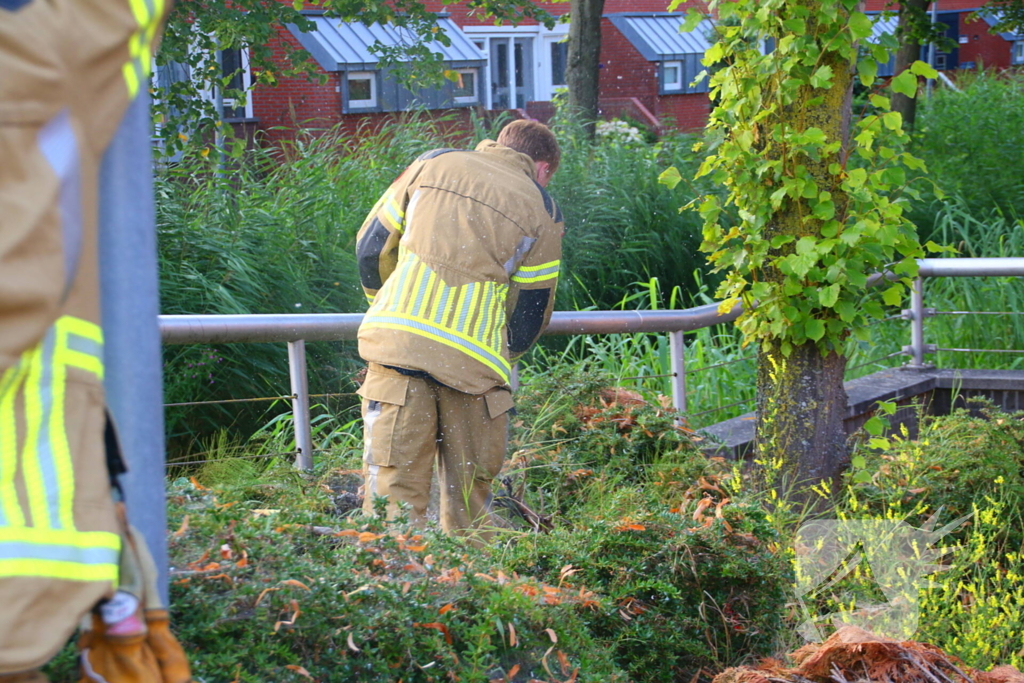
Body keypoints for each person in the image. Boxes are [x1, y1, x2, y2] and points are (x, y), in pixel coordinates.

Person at [0, 1, 191, 681]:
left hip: (399, 344)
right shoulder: (31, 55)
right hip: (25, 525)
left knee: (400, 481)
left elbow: (372, 246)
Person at [354, 120, 564, 541]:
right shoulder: (543, 207)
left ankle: (393, 577)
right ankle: (472, 580)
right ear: (543, 168)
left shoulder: (431, 163)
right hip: (474, 372)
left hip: (398, 354)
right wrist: (502, 351)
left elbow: (372, 247)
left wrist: (390, 310)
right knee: (471, 505)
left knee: (392, 500)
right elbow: (531, 308)